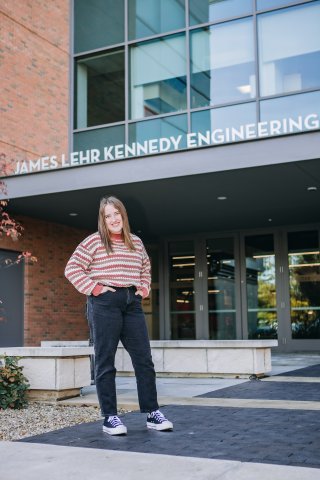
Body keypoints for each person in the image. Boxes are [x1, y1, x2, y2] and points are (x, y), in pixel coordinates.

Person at [65, 195, 173, 435]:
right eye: (108, 215)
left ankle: (152, 413)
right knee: (106, 361)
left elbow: (145, 267)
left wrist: (143, 288)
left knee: (144, 360)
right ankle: (110, 417)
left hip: (131, 303)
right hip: (104, 303)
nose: (113, 219)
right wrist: (95, 289)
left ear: (123, 215)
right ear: (103, 220)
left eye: (117, 214)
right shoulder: (93, 242)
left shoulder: (135, 242)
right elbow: (72, 268)